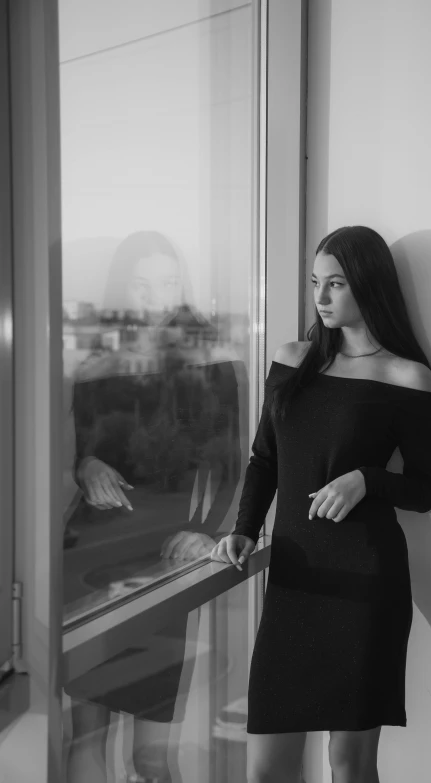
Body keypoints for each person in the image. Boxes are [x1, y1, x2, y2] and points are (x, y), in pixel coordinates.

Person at [210, 225, 431, 783]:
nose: (320, 298)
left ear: (368, 285)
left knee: (351, 767)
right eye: (316, 282)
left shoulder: (408, 377)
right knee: (267, 769)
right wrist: (245, 528)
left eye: (335, 284)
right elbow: (264, 458)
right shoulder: (293, 359)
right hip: (295, 582)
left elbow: (425, 489)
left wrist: (367, 478)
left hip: (367, 585)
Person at [63, 231, 244, 783]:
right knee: (86, 732)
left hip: (165, 556)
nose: (156, 297)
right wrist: (86, 466)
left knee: (152, 753)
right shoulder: (97, 367)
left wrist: (203, 532)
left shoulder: (211, 364)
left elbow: (232, 466)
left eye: (168, 283)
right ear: (124, 290)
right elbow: (82, 453)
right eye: (142, 284)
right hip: (90, 549)